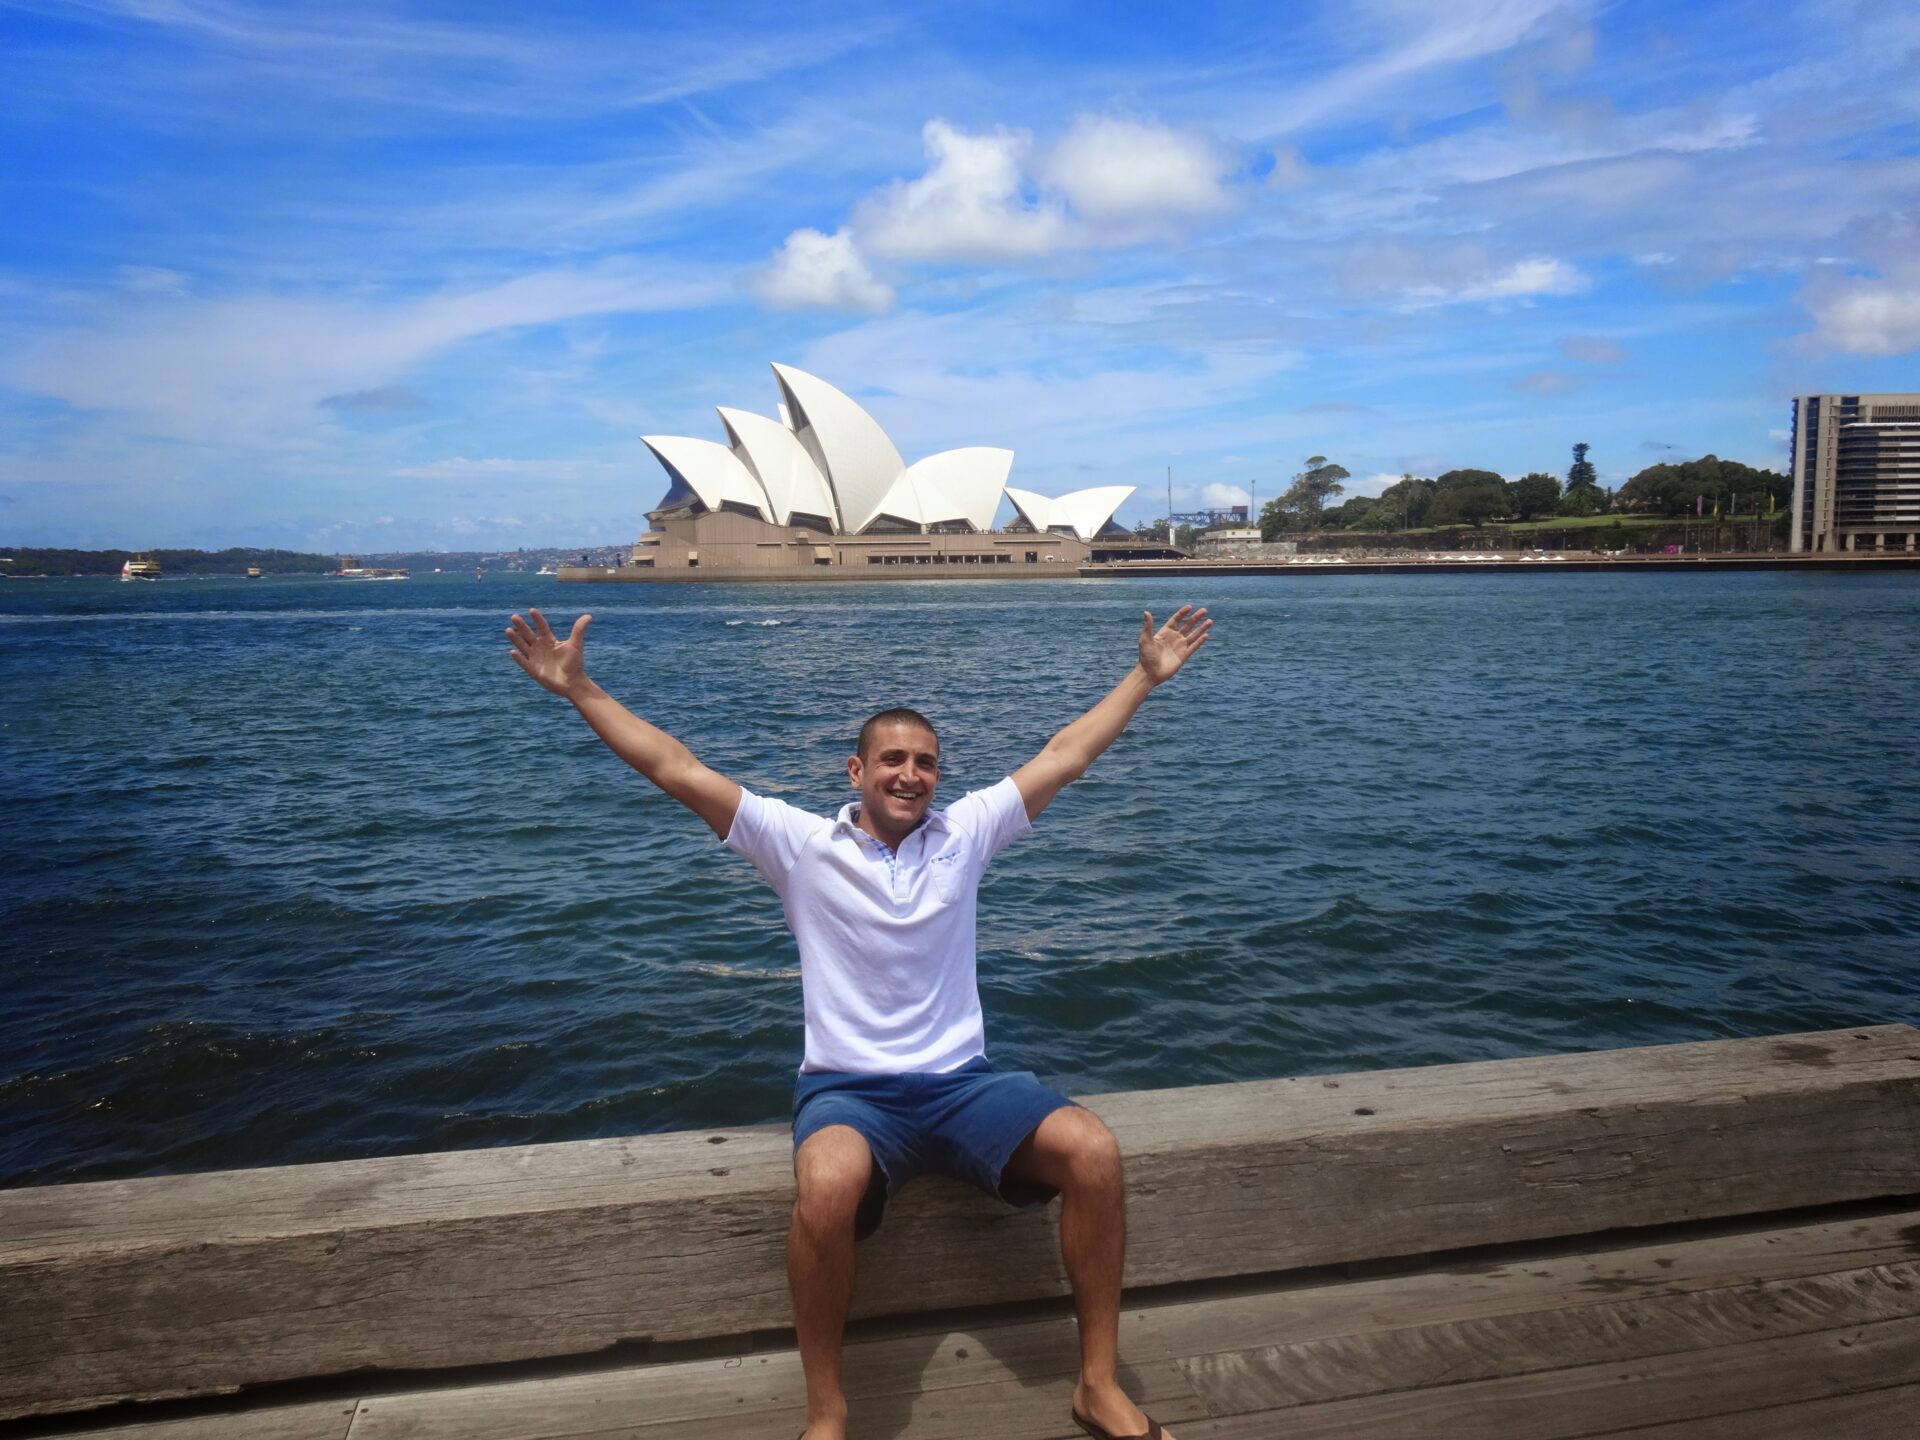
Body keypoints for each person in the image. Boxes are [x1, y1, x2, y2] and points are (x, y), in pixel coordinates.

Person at [505, 602, 1212, 1440]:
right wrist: (580, 688)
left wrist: (1144, 676)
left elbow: (1066, 753)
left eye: (925, 763)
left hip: (962, 1085)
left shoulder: (967, 835)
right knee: (829, 1184)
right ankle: (828, 1413)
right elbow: (678, 767)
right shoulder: (798, 845)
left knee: (1092, 1150)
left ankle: (1097, 1385)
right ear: (855, 770)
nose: (910, 775)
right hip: (849, 1091)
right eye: (892, 760)